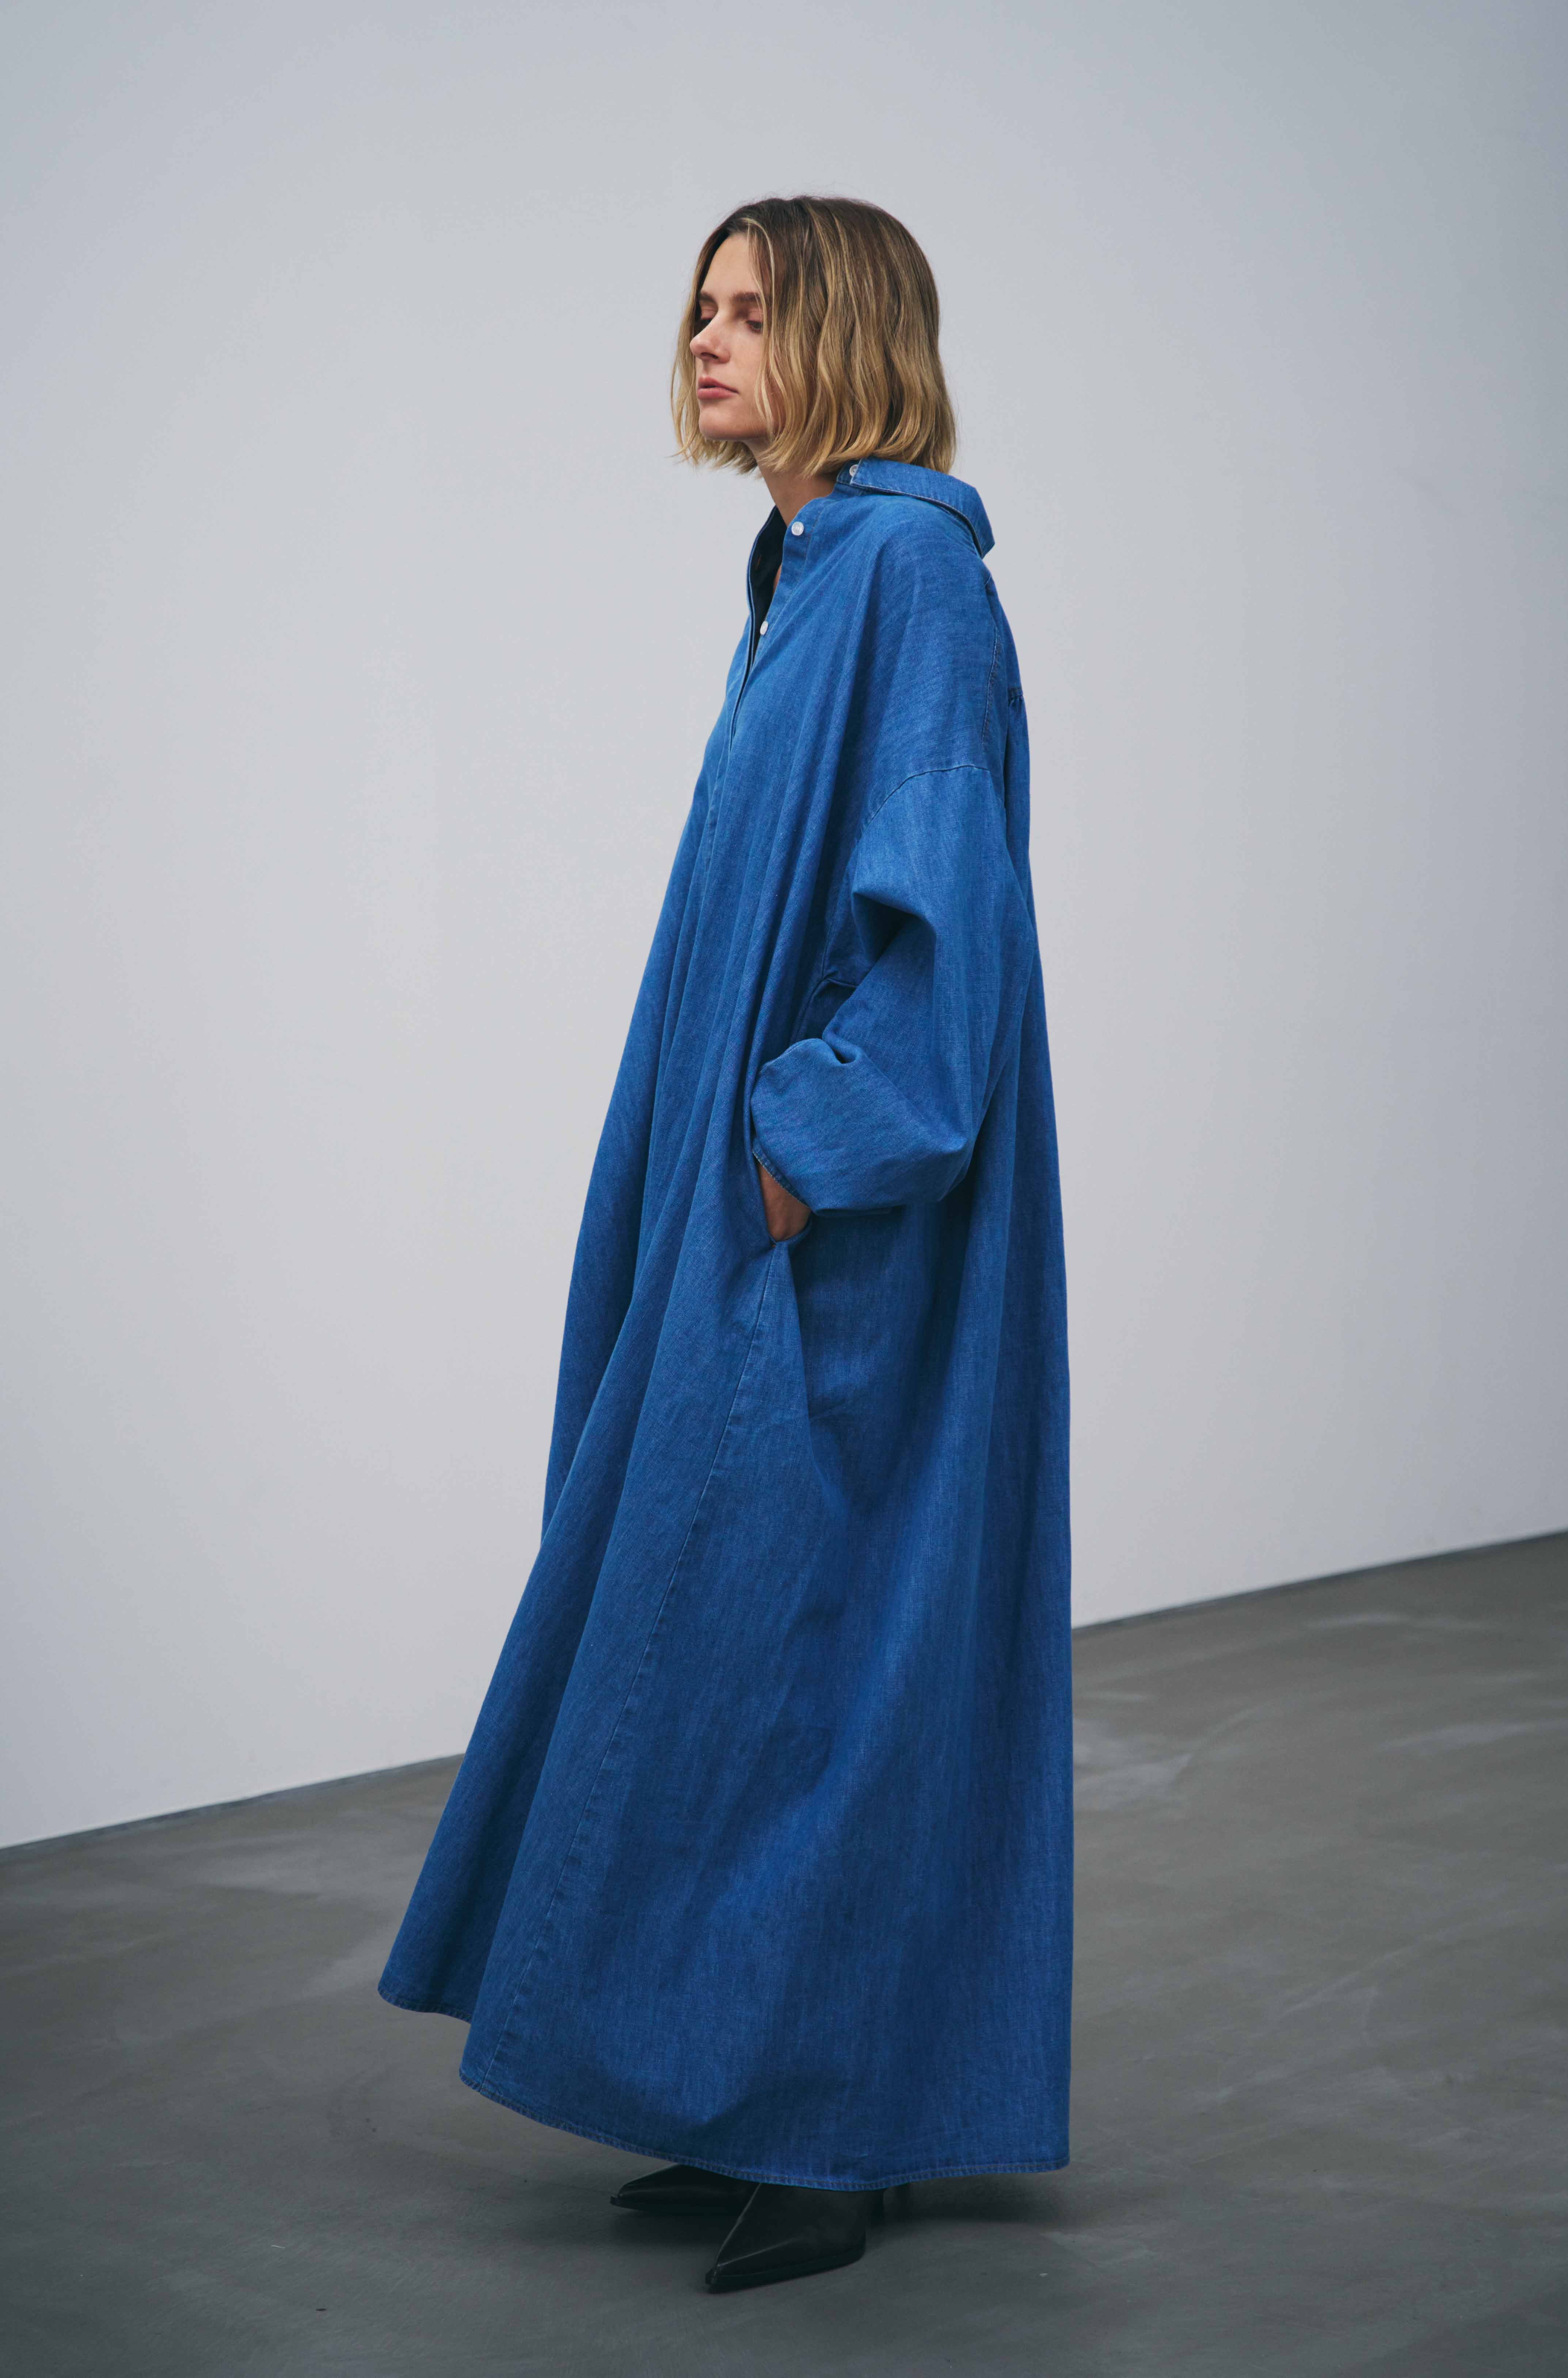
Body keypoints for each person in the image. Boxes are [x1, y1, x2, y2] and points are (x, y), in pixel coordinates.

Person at [379, 194, 1072, 2295]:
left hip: (844, 1235)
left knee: (818, 1658)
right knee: (714, 1640)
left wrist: (801, 1152)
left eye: (752, 310)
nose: (705, 339)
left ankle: (832, 2130)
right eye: (699, 306)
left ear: (849, 333)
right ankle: (741, 2084)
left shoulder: (911, 582)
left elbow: (942, 927)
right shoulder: (804, 578)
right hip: (752, 1214)